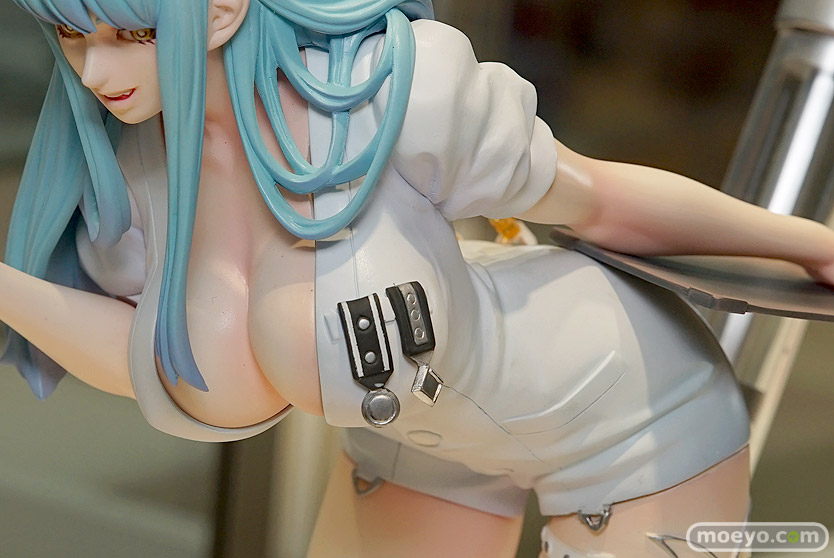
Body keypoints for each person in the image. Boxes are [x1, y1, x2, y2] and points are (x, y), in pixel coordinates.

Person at [3, 0, 834, 556]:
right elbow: (150, 355)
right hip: (420, 446)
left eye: (133, 35)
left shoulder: (388, 93)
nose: (94, 71)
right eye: (72, 35)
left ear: (221, 8)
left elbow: (601, 199)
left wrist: (807, 246)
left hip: (630, 413)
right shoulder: (140, 171)